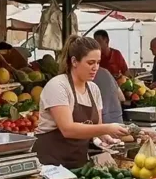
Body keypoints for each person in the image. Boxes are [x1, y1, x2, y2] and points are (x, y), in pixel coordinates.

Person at [33, 35, 128, 167]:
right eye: (90, 63)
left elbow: (96, 128)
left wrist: (106, 138)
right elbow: (67, 129)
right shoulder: (58, 86)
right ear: (74, 61)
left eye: (98, 62)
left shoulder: (93, 89)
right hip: (51, 164)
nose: (95, 68)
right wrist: (108, 128)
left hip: (79, 163)